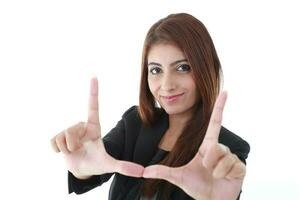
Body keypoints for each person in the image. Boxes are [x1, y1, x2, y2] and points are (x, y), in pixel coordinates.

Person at [50, 13, 250, 200]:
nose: (167, 85)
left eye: (183, 67)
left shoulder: (228, 147)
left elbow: (223, 186)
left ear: (207, 69)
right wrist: (81, 169)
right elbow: (97, 161)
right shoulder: (135, 122)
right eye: (156, 70)